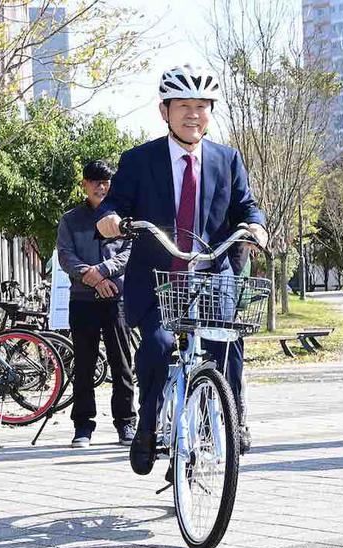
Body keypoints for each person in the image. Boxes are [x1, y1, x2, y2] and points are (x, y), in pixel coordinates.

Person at [96, 64, 268, 475]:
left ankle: (232, 410)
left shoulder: (227, 159)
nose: (194, 114)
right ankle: (148, 424)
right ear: (165, 111)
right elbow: (113, 203)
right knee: (155, 347)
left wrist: (255, 224)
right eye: (184, 106)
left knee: (226, 346)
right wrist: (110, 219)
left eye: (202, 106)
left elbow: (245, 204)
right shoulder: (139, 160)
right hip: (158, 281)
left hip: (212, 274)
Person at [57, 160, 136, 448]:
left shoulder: (122, 218)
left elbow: (129, 252)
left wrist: (103, 271)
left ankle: (126, 423)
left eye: (105, 181)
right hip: (83, 300)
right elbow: (65, 255)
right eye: (94, 181)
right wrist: (92, 277)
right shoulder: (70, 219)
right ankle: (82, 427)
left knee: (122, 363)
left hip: (118, 298)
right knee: (85, 363)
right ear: (84, 185)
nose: (100, 186)